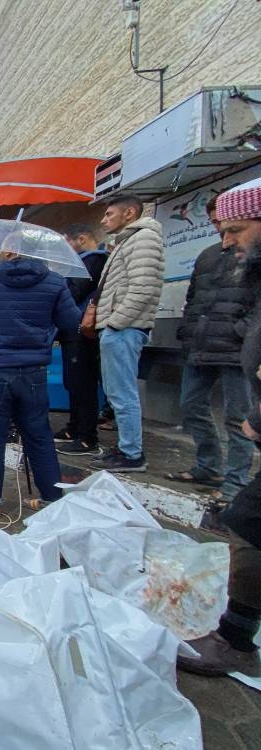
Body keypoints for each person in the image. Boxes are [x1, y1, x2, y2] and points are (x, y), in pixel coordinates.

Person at [178, 177, 261, 678]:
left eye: (236, 229)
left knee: (249, 526)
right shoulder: (238, 267)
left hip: (236, 364)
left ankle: (234, 639)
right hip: (212, 349)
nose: (227, 240)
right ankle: (236, 635)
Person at [0, 244, 83, 517]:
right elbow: (70, 321)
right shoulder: (54, 281)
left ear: (6, 254)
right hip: (33, 371)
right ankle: (51, 498)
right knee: (40, 437)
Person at [165, 198, 256, 502]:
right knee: (191, 406)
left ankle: (235, 483)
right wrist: (189, 332)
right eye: (217, 224)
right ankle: (208, 465)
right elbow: (194, 298)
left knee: (238, 416)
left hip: (236, 350)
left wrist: (242, 332)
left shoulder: (253, 254)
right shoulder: (207, 255)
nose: (224, 234)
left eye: (232, 227)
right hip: (200, 345)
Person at [89, 193, 165, 473]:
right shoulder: (128, 241)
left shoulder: (143, 239)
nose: (103, 219)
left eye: (109, 214)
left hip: (124, 328)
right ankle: (125, 447)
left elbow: (143, 287)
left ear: (129, 213)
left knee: (123, 392)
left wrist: (114, 323)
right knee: (116, 392)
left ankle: (132, 453)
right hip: (118, 328)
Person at [55, 225, 109, 455]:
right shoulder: (81, 262)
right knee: (73, 382)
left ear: (81, 239)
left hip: (83, 332)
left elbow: (74, 292)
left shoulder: (94, 261)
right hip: (71, 330)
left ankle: (87, 436)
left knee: (83, 383)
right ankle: (74, 427)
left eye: (67, 243)